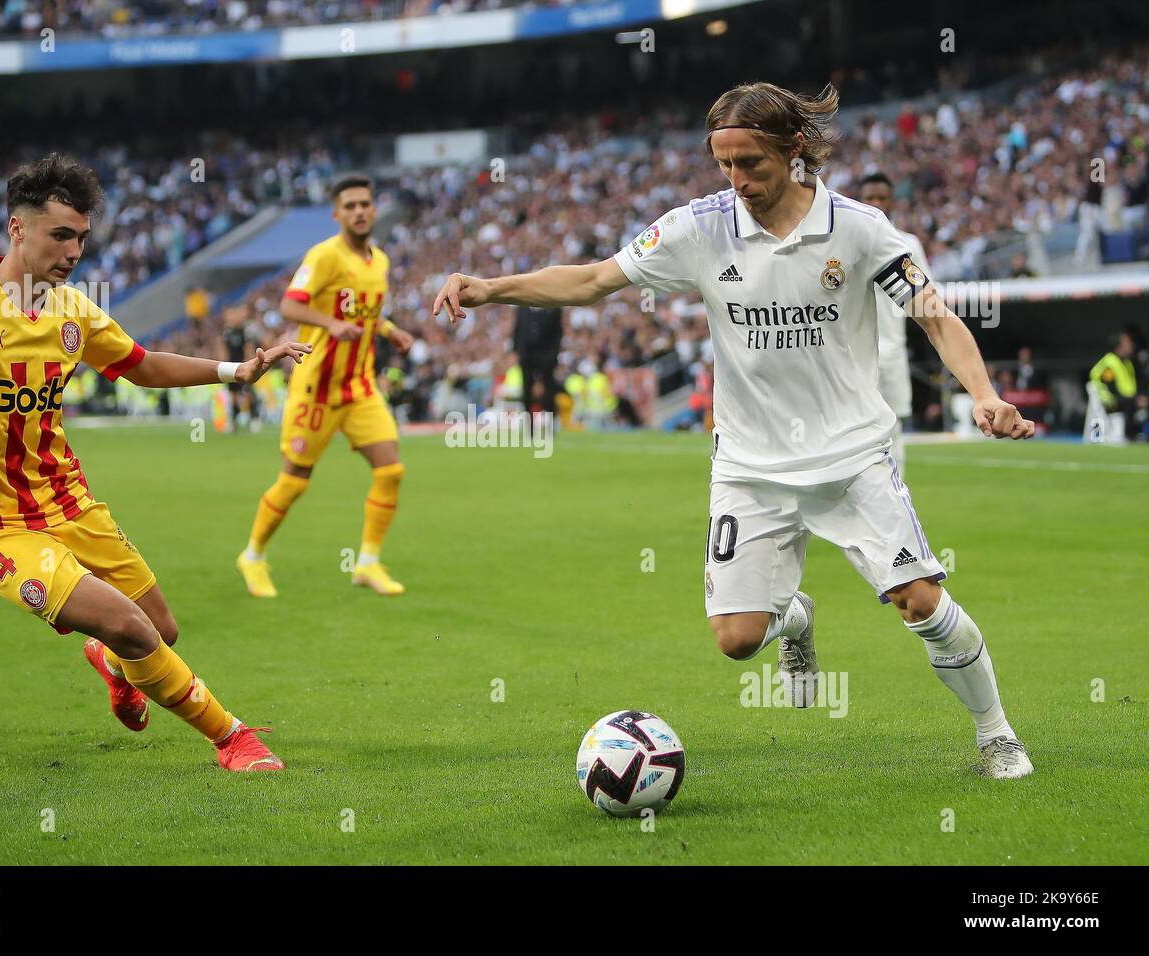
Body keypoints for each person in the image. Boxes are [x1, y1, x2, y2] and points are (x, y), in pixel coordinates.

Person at [433, 82, 1036, 779]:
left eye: (751, 162)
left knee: (921, 601)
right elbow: (595, 280)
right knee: (736, 640)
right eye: (724, 164)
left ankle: (996, 734)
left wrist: (984, 395)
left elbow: (935, 314)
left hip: (851, 457)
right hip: (750, 464)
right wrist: (490, 287)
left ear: (794, 147)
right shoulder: (698, 227)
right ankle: (796, 619)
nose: (737, 180)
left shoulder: (861, 227)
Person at [0, 154, 311, 773]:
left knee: (159, 630)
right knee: (130, 626)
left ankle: (110, 665)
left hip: (70, 503)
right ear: (17, 229)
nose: (73, 251)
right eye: (60, 235)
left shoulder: (72, 310)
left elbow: (143, 366)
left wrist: (235, 370)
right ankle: (230, 737)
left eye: (82, 238)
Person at [238, 174, 415, 598]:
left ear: (374, 210)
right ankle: (254, 555)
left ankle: (368, 563)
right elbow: (290, 304)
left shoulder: (381, 261)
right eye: (350, 206)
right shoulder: (324, 256)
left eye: (365, 204)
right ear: (337, 214)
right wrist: (331, 324)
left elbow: (366, 313)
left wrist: (389, 331)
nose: (358, 211)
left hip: (359, 386)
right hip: (316, 387)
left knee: (391, 470)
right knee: (295, 480)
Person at [855, 171, 931, 479]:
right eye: (869, 197)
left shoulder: (907, 244)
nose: (875, 203)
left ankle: (896, 488)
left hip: (893, 351)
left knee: (894, 424)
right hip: (855, 352)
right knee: (856, 426)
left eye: (881, 198)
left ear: (892, 201)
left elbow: (927, 302)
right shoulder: (846, 242)